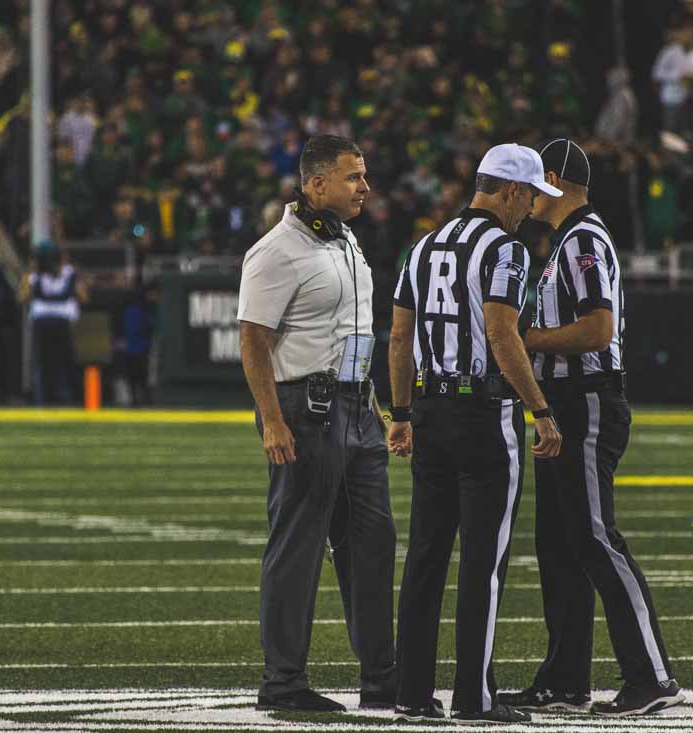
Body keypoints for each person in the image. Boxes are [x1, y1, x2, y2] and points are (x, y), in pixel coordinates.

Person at [498, 140, 684, 718]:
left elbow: (599, 330)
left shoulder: (583, 238)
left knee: (596, 538)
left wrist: (528, 340)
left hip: (587, 401)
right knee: (560, 546)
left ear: (552, 178)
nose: (527, 195)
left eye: (534, 182)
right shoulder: (564, 241)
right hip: (564, 402)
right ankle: (565, 678)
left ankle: (651, 676)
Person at [387, 143, 563, 724]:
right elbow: (500, 333)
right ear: (511, 190)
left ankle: (411, 693)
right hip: (483, 415)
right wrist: (539, 408)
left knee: (426, 557)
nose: (533, 207)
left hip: (431, 411)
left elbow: (398, 338)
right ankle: (473, 697)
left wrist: (404, 413)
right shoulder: (505, 249)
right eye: (532, 194)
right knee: (482, 564)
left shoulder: (423, 245)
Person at [237, 135, 397, 713]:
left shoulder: (344, 238)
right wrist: (272, 422)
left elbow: (349, 331)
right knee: (298, 546)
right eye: (353, 176)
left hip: (357, 407)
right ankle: (283, 682)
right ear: (316, 183)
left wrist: (375, 404)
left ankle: (382, 678)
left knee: (374, 545)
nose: (365, 186)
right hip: (307, 411)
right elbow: (253, 339)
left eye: (364, 174)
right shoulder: (276, 250)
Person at [18, 241, 85, 404]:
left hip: (46, 322)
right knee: (59, 364)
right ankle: (60, 399)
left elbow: (22, 297)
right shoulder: (61, 274)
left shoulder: (64, 273)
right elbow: (84, 296)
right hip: (58, 322)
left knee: (47, 364)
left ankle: (46, 399)